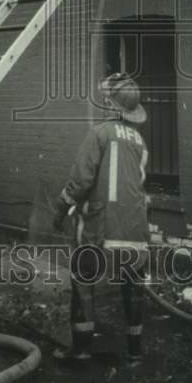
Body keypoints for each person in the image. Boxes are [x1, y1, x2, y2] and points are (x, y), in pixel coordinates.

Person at [51, 72, 151, 363]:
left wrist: (60, 208)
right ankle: (134, 353)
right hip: (135, 231)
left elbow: (81, 182)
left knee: (83, 279)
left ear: (110, 104)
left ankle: (82, 350)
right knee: (133, 288)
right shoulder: (140, 142)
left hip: (101, 230)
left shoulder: (99, 134)